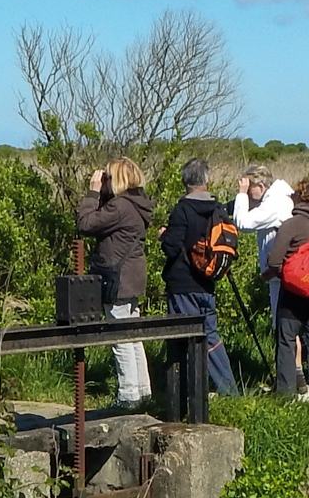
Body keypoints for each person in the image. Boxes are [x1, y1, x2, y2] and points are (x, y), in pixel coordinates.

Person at [75, 156, 154, 407]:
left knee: (120, 336)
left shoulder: (119, 207)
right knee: (132, 335)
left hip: (118, 278)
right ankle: (142, 391)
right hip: (132, 276)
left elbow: (85, 224)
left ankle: (128, 395)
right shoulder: (137, 204)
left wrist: (92, 193)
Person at [158, 156, 239, 396]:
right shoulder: (218, 208)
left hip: (182, 283)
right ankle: (229, 391)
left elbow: (172, 248)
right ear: (208, 180)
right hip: (207, 281)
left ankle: (183, 393)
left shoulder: (182, 210)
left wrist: (164, 235)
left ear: (185, 182)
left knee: (182, 338)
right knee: (209, 336)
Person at [261, 178, 309, 399]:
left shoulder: (291, 225)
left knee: (286, 340)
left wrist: (274, 275)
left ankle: (286, 394)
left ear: (299, 198)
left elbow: (274, 260)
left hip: (294, 290)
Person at [233, 166, 295, 377]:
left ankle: (289, 379)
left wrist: (241, 195)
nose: (251, 196)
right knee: (287, 327)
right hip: (282, 272)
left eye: (251, 191)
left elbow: (243, 222)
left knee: (284, 327)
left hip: (280, 274)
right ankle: (292, 376)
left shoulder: (274, 203)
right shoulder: (281, 197)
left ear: (260, 185)